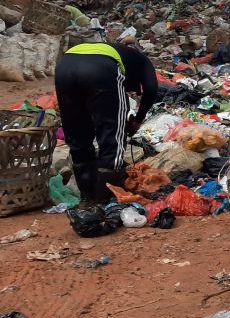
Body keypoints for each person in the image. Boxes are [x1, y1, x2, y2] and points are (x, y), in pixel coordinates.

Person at [55, 40, 159, 201]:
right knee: (112, 137)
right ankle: (105, 200)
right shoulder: (144, 61)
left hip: (65, 66)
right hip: (101, 68)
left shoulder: (123, 53)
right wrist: (138, 120)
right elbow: (151, 89)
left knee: (77, 133)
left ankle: (87, 198)